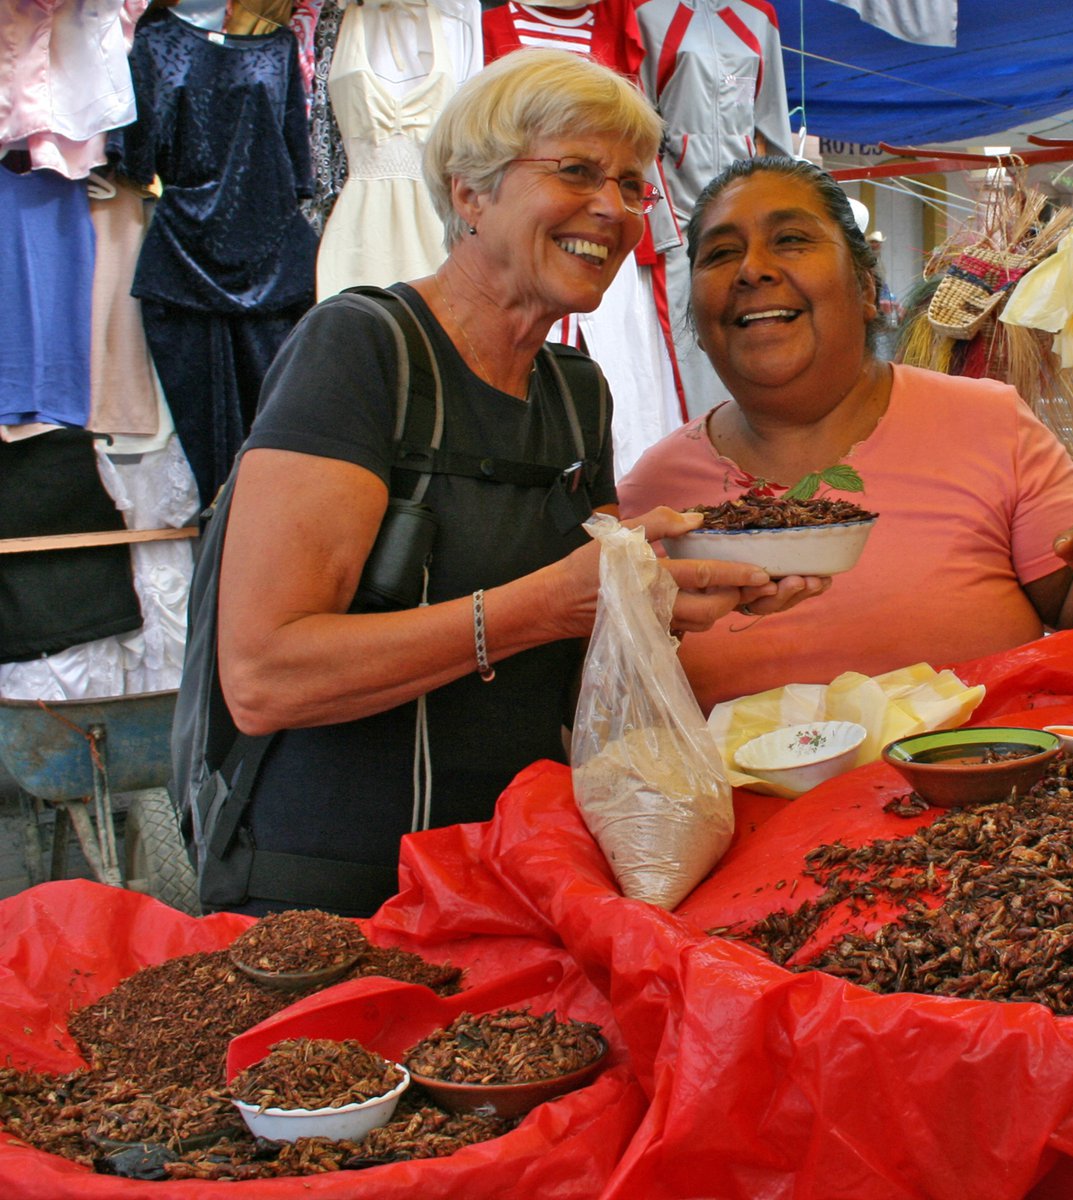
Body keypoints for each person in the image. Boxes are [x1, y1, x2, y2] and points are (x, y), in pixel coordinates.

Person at [208, 53, 821, 915]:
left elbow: (592, 623)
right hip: (337, 896)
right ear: (470, 194)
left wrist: (688, 589)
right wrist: (540, 607)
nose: (611, 209)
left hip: (520, 872)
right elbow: (265, 674)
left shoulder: (576, 392)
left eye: (633, 185)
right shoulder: (359, 350)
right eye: (575, 172)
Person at [618, 157, 1073, 712]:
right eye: (720, 253)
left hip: (979, 793)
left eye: (790, 240)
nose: (752, 269)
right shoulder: (653, 496)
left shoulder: (988, 426)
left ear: (864, 287)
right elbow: (604, 697)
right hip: (732, 802)